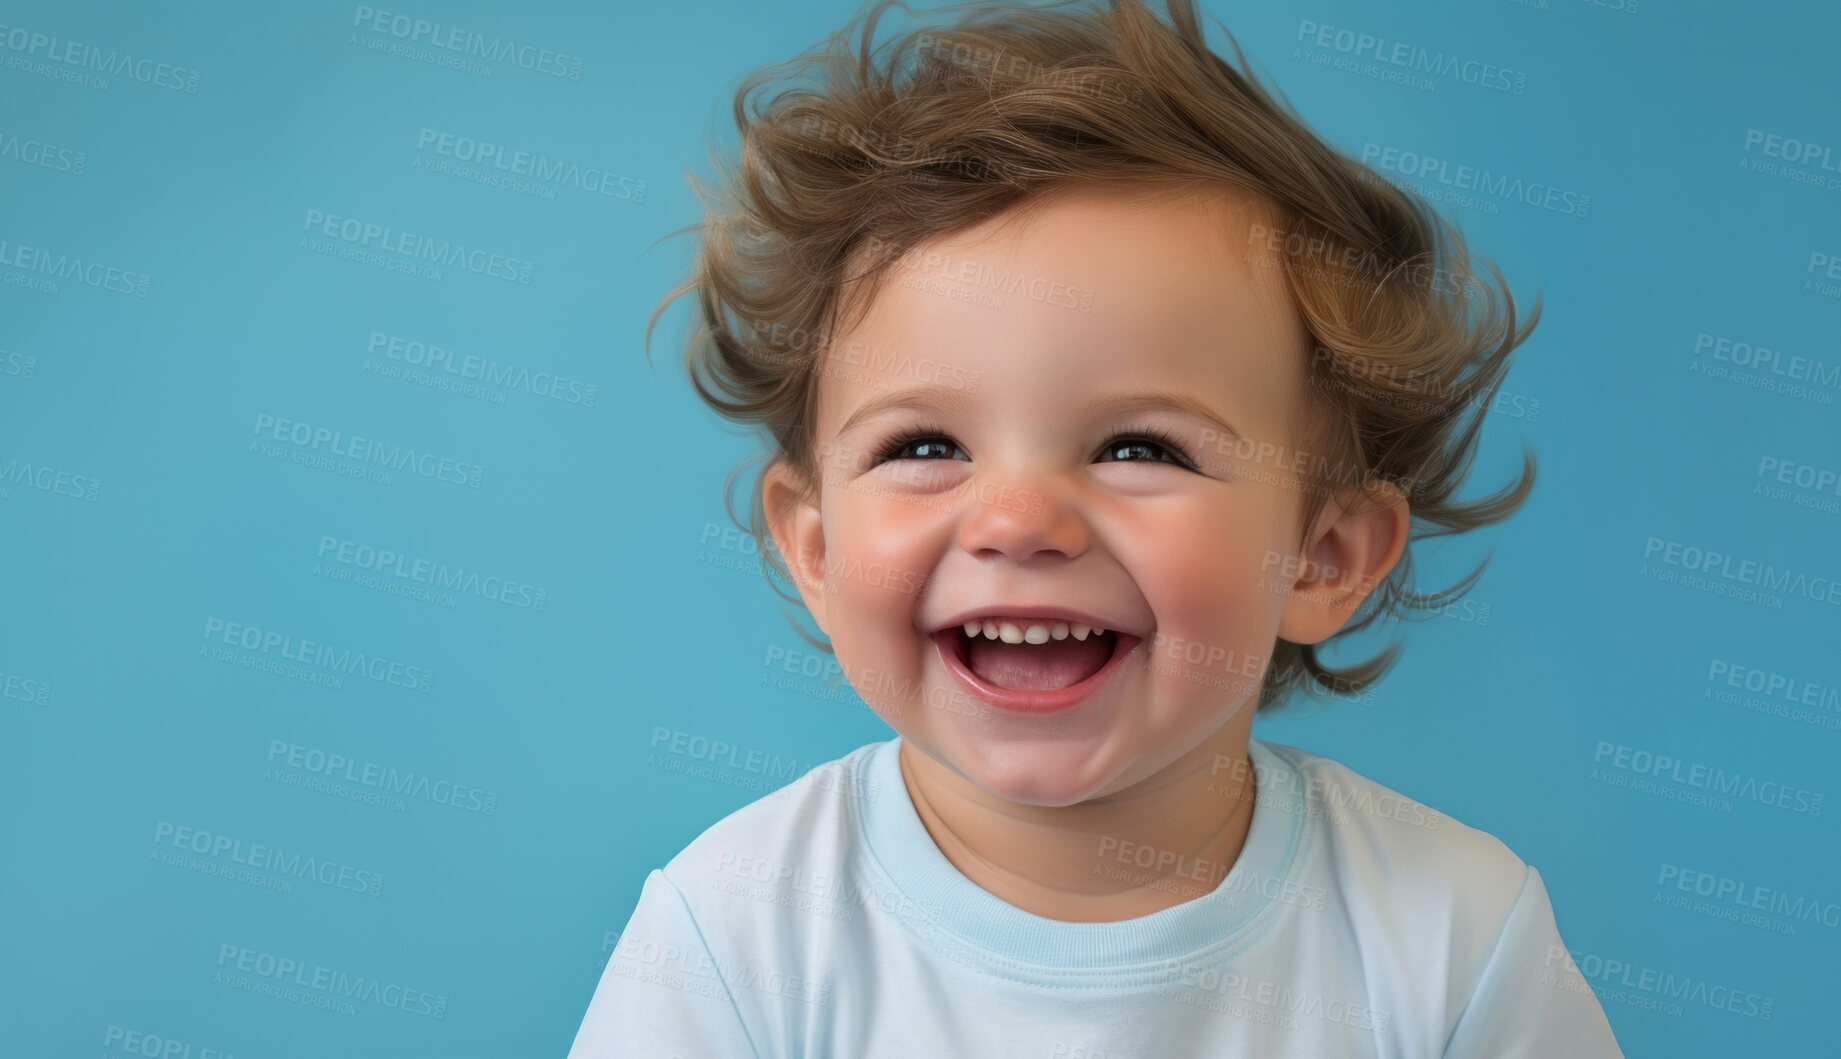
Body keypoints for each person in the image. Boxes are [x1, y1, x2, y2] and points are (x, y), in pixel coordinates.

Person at [572, 0, 1623, 1053]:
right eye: (925, 446)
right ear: (814, 547)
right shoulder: (735, 933)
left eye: (1139, 450)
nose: (1018, 521)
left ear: (1321, 557)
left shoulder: (1451, 933)